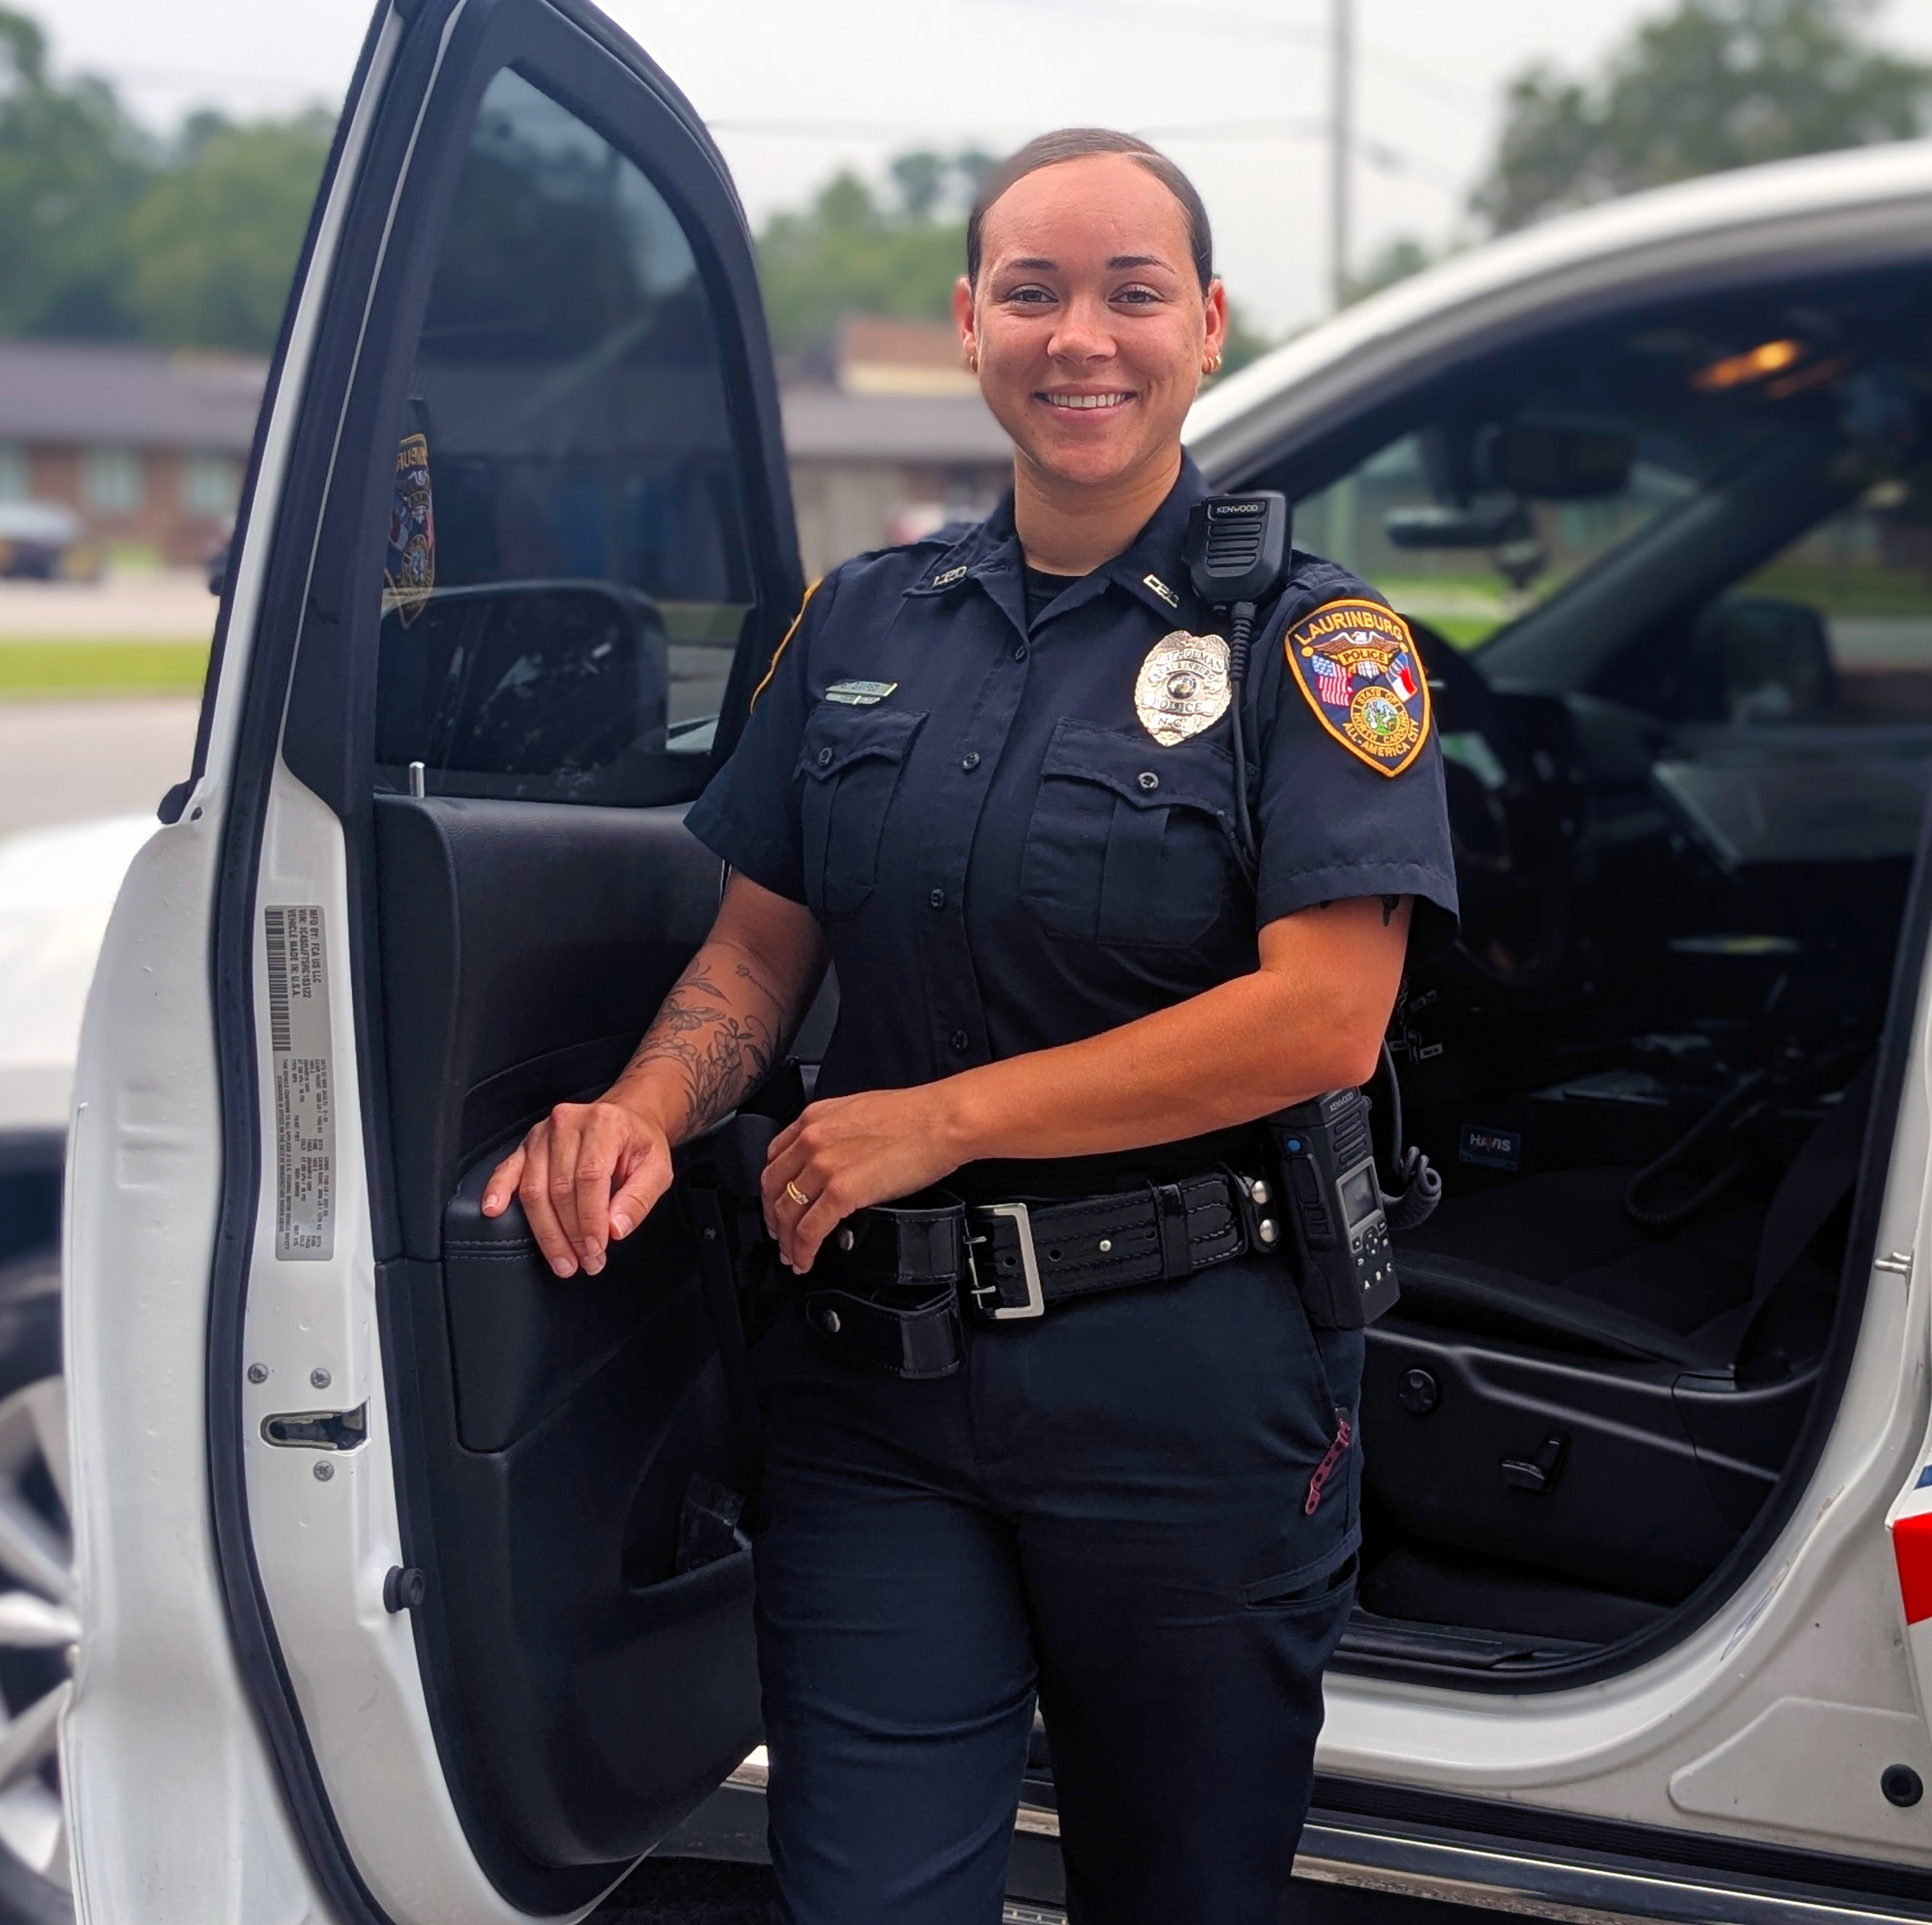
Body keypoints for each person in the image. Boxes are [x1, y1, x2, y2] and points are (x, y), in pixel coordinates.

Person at [478, 127, 1456, 1924]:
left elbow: (1324, 1017)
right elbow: (756, 963)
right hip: (878, 1395)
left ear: (1211, 326)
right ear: (969, 327)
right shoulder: (860, 625)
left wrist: (938, 1118)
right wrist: (641, 1109)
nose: (1083, 334)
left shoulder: (1318, 648)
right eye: (1034, 290)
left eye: (1132, 290)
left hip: (1189, 1381)